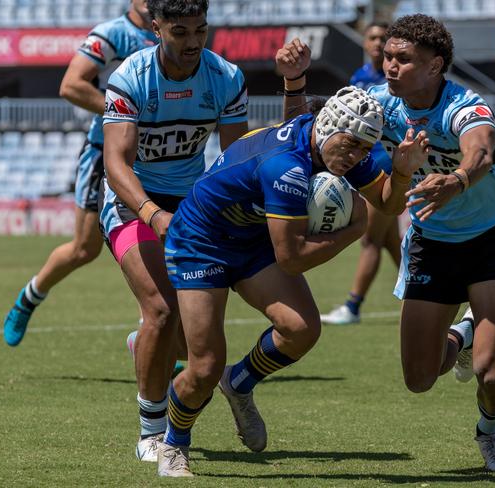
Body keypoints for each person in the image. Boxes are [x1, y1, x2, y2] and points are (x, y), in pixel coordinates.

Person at [156, 86, 430, 477]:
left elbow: (388, 202)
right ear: (330, 125)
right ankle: (173, 444)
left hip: (251, 238)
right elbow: (291, 258)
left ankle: (239, 381)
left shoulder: (341, 145)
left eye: (364, 150)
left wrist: (401, 172)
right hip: (202, 242)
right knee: (203, 368)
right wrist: (354, 229)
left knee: (301, 329)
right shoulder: (285, 165)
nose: (355, 157)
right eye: (351, 146)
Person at [368, 14, 495, 471]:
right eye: (387, 57)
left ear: (436, 65)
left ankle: (490, 433)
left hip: (493, 239)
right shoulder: (378, 107)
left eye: (404, 59)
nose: (390, 66)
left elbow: (481, 149)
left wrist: (458, 180)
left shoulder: (464, 103)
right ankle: (461, 333)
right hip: (431, 244)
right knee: (419, 379)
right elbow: (321, 133)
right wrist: (294, 85)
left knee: (491, 371)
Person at [99, 0, 254, 464]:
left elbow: (236, 160)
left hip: (192, 205)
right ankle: (151, 431)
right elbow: (116, 164)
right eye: (180, 31)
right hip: (132, 203)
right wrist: (152, 213)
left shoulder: (226, 77)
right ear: (157, 27)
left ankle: (150, 345)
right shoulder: (131, 77)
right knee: (162, 310)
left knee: (198, 345)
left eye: (201, 30)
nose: (192, 42)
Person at [3, 0, 158, 347]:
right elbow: (71, 85)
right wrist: (125, 109)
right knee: (84, 249)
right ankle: (30, 297)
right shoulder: (113, 34)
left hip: (153, 155)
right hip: (105, 151)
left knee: (150, 239)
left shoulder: (172, 35)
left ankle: (155, 333)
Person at [321, 21, 402, 325]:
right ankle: (434, 295)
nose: (378, 43)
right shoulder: (359, 77)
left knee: (370, 241)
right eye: (373, 37)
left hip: (385, 171)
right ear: (365, 43)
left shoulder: (396, 81)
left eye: (384, 38)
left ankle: (352, 307)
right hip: (366, 167)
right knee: (393, 243)